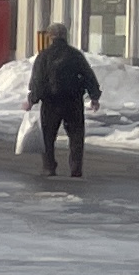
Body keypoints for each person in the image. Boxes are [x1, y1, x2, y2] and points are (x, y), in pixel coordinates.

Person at [27, 21, 99, 179]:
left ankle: (49, 167)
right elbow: (88, 76)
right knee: (76, 136)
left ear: (50, 36)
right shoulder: (75, 55)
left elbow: (38, 80)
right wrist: (94, 96)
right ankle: (76, 168)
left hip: (51, 102)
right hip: (73, 101)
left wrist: (32, 99)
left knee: (48, 136)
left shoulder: (44, 56)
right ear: (66, 36)